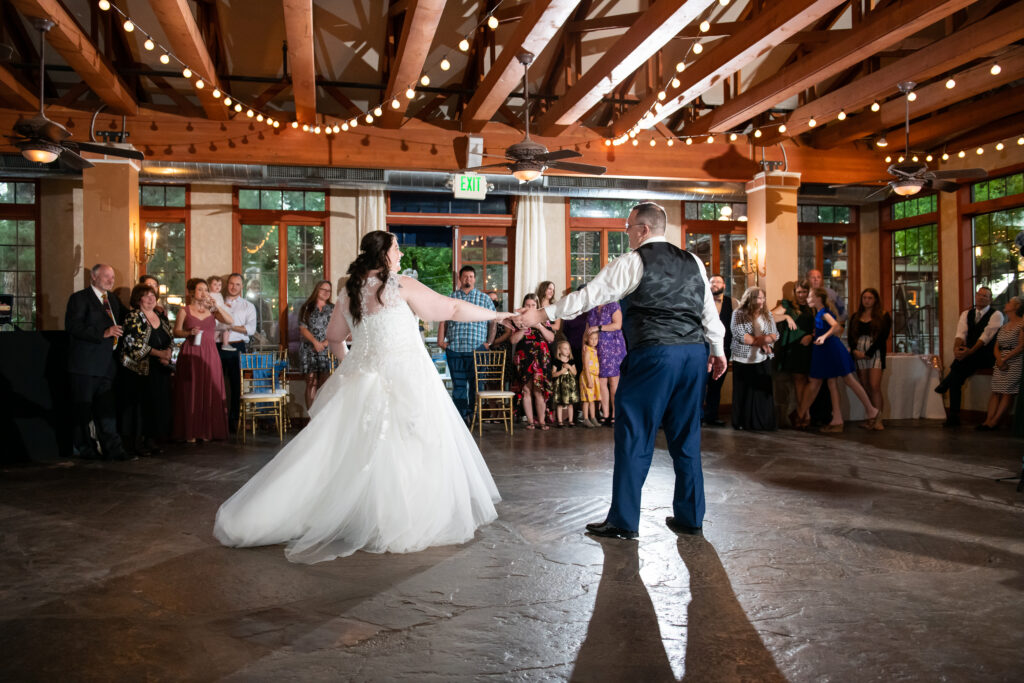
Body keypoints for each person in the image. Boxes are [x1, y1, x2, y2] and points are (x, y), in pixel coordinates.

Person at [214, 230, 511, 563]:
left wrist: (354, 366)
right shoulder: (398, 285)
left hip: (365, 380)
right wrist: (498, 315)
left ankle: (358, 514)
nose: (400, 254)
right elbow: (453, 308)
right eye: (396, 248)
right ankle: (398, 517)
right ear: (384, 254)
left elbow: (334, 338)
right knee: (409, 445)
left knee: (351, 450)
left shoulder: (349, 292)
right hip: (408, 378)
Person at [515, 202, 726, 540]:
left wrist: (541, 314)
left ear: (642, 229)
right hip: (692, 354)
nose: (626, 234)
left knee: (634, 436)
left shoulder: (632, 262)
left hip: (655, 355)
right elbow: (708, 313)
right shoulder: (694, 262)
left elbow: (589, 296)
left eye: (628, 227)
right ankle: (691, 516)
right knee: (687, 438)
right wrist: (717, 350)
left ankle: (624, 521)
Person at [64, 264, 130, 461]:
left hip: (107, 366)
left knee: (107, 411)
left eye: (113, 277)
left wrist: (150, 309)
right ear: (93, 277)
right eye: (106, 277)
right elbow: (73, 326)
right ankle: (86, 450)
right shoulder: (79, 299)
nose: (111, 280)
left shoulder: (113, 300)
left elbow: (128, 317)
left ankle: (114, 450)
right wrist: (103, 333)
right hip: (85, 365)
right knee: (83, 411)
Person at [794, 288, 879, 433]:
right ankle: (837, 419)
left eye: (810, 296)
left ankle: (872, 410)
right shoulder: (819, 312)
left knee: (848, 380)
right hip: (826, 349)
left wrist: (823, 336)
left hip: (831, 349)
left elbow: (835, 326)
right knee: (833, 382)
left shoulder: (823, 312)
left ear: (818, 298)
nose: (807, 299)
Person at [172, 278, 234, 443]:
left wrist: (217, 306)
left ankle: (206, 430)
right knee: (191, 391)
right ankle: (190, 431)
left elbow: (230, 321)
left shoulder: (212, 310)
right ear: (192, 292)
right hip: (191, 352)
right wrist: (188, 333)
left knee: (209, 389)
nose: (204, 293)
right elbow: (176, 332)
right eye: (200, 290)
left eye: (206, 290)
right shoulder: (184, 311)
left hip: (210, 353)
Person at [934, 286, 1004, 427]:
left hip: (986, 354)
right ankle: (953, 416)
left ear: (990, 299)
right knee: (956, 380)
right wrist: (956, 349)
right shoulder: (966, 313)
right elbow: (961, 334)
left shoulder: (996, 315)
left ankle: (945, 385)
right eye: (980, 294)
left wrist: (969, 352)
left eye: (986, 296)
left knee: (958, 370)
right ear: (975, 296)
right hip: (968, 356)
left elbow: (986, 337)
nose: (981, 297)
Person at [118, 284, 174, 455]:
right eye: (146, 295)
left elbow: (170, 338)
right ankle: (137, 444)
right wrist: (159, 354)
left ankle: (152, 440)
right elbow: (134, 345)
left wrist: (168, 354)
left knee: (157, 407)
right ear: (138, 299)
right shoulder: (133, 317)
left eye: (153, 295)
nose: (151, 298)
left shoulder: (160, 316)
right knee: (141, 408)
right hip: (139, 371)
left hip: (159, 370)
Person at [437, 266, 497, 422]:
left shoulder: (485, 299)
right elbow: (443, 319)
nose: (468, 279)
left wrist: (488, 343)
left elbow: (493, 322)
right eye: (465, 276)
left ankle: (474, 416)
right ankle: (461, 419)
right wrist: (442, 342)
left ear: (475, 279)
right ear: (460, 278)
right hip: (455, 349)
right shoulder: (452, 298)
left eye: (471, 276)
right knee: (459, 387)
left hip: (478, 350)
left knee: (477, 386)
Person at [730, 286, 779, 431]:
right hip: (743, 358)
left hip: (763, 358)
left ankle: (763, 423)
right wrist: (763, 341)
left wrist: (765, 340)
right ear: (750, 299)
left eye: (763, 298)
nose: (762, 300)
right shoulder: (738, 313)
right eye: (758, 297)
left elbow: (775, 335)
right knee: (743, 392)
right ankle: (742, 422)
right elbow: (741, 336)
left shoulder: (767, 315)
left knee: (761, 394)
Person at [218, 273, 258, 431]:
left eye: (237, 284)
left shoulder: (248, 306)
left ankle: (234, 421)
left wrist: (230, 326)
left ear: (242, 287)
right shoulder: (217, 303)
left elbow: (250, 329)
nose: (233, 287)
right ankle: (218, 421)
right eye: (231, 284)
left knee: (236, 386)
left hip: (238, 347)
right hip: (218, 346)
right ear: (227, 284)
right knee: (217, 385)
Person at [772, 280, 815, 426]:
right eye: (799, 292)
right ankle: (804, 415)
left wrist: (812, 336)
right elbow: (770, 316)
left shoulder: (814, 306)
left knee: (812, 382)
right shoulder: (788, 305)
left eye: (804, 292)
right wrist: (786, 316)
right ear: (794, 293)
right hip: (794, 348)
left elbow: (822, 326)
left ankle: (803, 413)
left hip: (812, 347)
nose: (802, 295)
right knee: (799, 381)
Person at [848, 288, 892, 431]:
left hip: (875, 352)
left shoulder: (883, 316)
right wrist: (854, 350)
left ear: (875, 300)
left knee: (874, 385)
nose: (866, 300)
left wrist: (868, 353)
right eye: (864, 298)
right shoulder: (856, 316)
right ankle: (870, 417)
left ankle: (878, 419)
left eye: (870, 298)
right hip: (859, 351)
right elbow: (850, 335)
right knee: (865, 386)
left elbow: (882, 337)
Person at [977, 296, 1023, 431]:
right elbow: (996, 345)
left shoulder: (1022, 324)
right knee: (996, 391)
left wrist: (1005, 359)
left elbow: (1021, 346)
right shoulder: (1004, 326)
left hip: (1014, 361)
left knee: (1007, 392)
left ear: (1017, 307)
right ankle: (987, 420)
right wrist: (998, 359)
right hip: (1000, 359)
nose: (1006, 304)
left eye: (1010, 302)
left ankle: (995, 421)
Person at [511, 293, 555, 429]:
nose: (530, 308)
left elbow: (551, 338)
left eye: (533, 305)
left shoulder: (543, 320)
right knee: (526, 390)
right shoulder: (518, 321)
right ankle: (530, 421)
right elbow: (513, 340)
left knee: (539, 390)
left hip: (540, 359)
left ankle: (541, 421)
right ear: (523, 306)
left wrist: (539, 327)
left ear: (537, 306)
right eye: (527, 305)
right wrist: (523, 329)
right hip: (524, 359)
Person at [585, 301, 626, 425]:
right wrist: (584, 346)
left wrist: (599, 328)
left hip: (613, 347)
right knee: (601, 381)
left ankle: (615, 413)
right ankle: (606, 413)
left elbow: (617, 325)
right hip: (596, 349)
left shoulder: (613, 305)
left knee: (613, 381)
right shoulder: (591, 308)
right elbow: (587, 330)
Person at [703, 274, 735, 427]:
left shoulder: (732, 302)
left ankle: (712, 416)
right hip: (704, 347)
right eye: (712, 282)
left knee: (716, 384)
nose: (715, 284)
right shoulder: (703, 300)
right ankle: (697, 416)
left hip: (725, 348)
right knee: (701, 383)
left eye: (718, 282)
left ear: (724, 286)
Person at [297, 280, 335, 410]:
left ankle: (321, 418)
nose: (326, 293)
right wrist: (315, 342)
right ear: (317, 290)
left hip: (327, 350)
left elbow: (336, 329)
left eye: (328, 291)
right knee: (311, 382)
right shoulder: (306, 307)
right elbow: (302, 328)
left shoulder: (333, 309)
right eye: (323, 289)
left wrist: (324, 344)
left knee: (324, 384)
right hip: (309, 350)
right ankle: (311, 420)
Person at [550, 340, 579, 427]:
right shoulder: (556, 361)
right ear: (559, 350)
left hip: (570, 386)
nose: (568, 351)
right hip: (560, 386)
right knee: (559, 404)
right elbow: (553, 374)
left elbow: (575, 373)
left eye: (568, 349)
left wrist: (569, 367)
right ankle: (560, 421)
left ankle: (570, 421)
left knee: (570, 404)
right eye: (565, 349)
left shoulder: (571, 361)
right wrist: (561, 371)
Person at [579, 330, 602, 428]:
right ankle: (586, 418)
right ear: (587, 339)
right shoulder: (587, 351)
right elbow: (586, 367)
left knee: (592, 400)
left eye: (596, 339)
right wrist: (589, 380)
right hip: (588, 377)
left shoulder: (595, 350)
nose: (593, 341)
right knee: (586, 400)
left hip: (594, 377)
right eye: (591, 339)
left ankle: (593, 418)